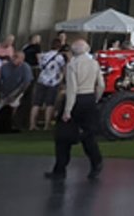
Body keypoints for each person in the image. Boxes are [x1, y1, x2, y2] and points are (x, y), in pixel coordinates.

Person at [46, 39, 103, 181]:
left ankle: (60, 169)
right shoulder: (94, 63)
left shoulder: (73, 65)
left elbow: (72, 89)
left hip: (76, 99)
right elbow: (101, 84)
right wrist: (95, 99)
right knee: (88, 135)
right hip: (89, 98)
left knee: (63, 137)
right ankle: (96, 162)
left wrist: (67, 110)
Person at [30, 42, 66, 131]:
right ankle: (47, 125)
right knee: (50, 104)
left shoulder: (44, 55)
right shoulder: (59, 57)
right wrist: (61, 79)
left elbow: (40, 66)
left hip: (41, 80)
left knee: (36, 103)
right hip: (53, 81)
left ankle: (32, 124)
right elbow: (63, 69)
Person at [0, 50, 33, 125]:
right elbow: (0, 80)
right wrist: (0, 92)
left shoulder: (25, 67)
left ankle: (10, 122)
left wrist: (17, 95)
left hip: (18, 90)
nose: (16, 60)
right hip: (5, 91)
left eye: (19, 58)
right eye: (15, 57)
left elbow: (26, 83)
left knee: (13, 105)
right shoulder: (5, 67)